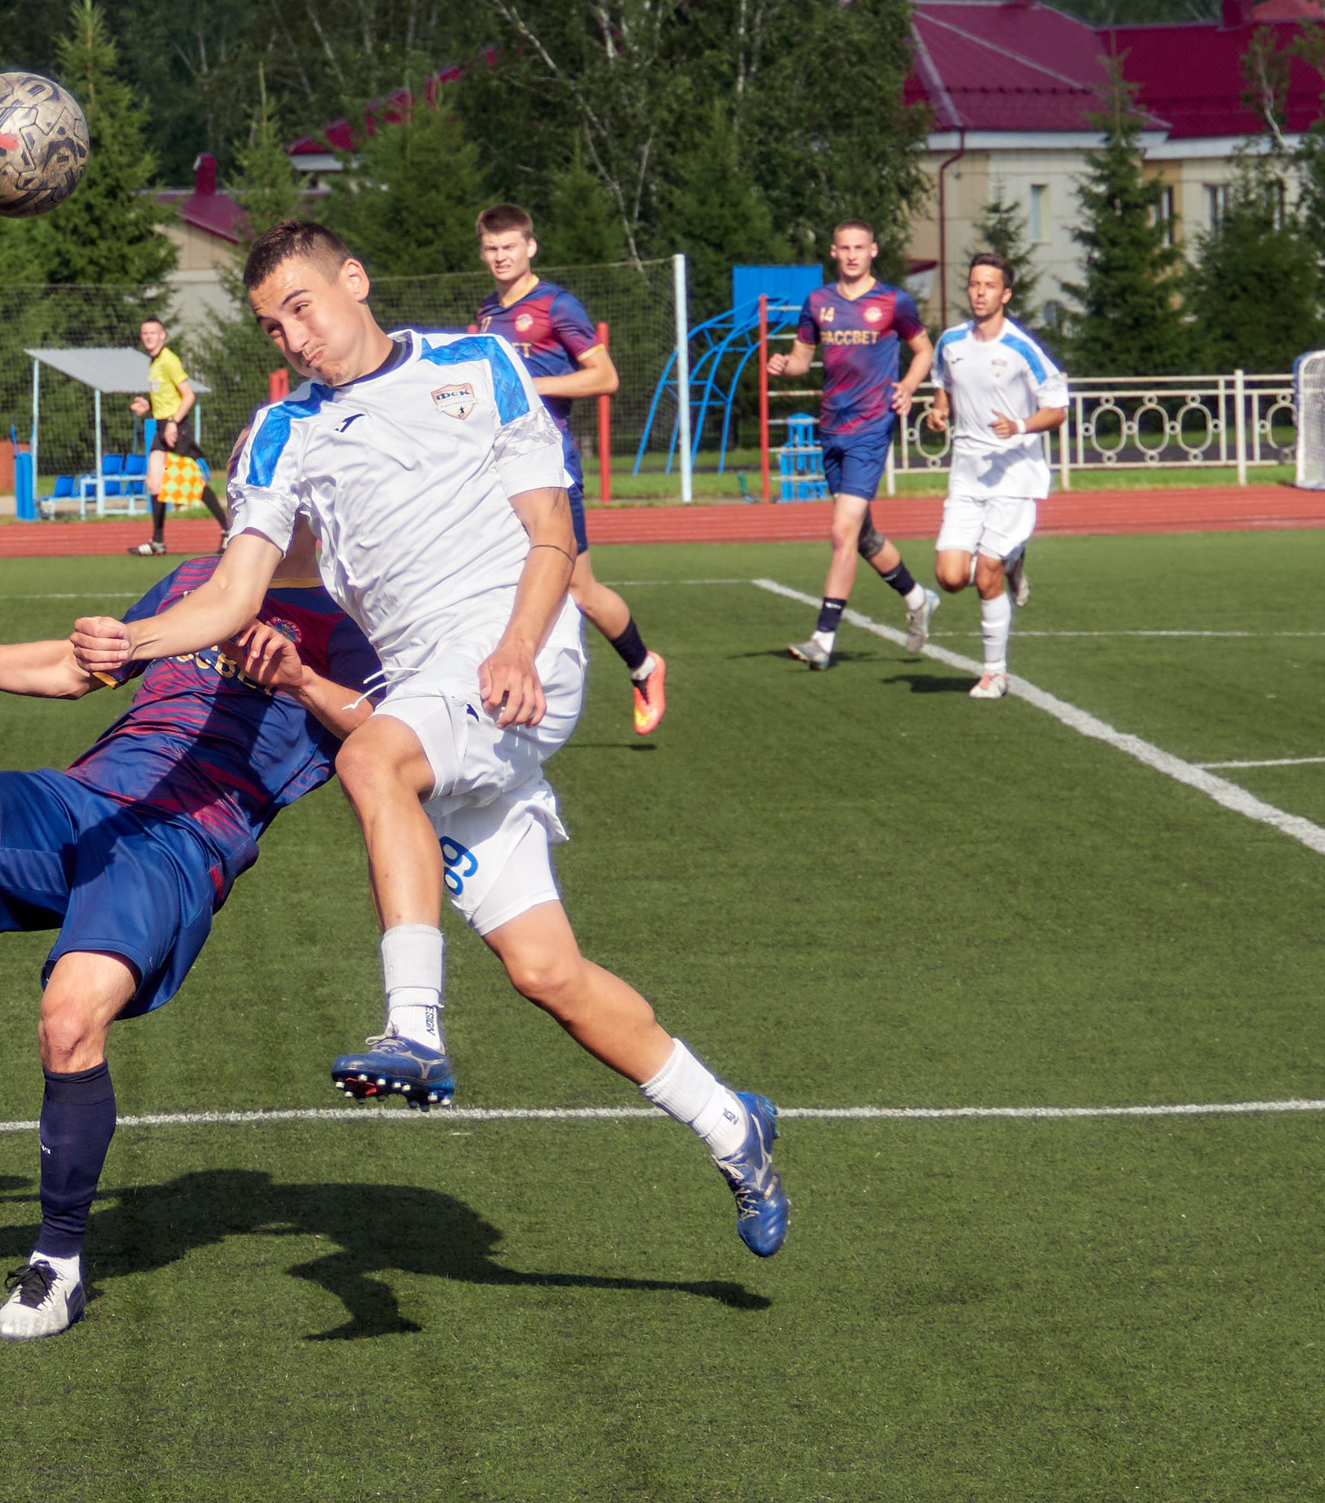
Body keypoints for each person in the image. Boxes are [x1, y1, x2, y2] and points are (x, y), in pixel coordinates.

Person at [71, 221, 789, 1260]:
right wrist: (137, 636)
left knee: (370, 759)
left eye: (303, 307)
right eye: (273, 323)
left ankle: (413, 1027)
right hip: (432, 694)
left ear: (355, 279)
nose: (294, 336)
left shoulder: (480, 364)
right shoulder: (285, 433)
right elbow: (235, 590)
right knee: (547, 971)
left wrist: (514, 646)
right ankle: (735, 1126)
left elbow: (552, 531)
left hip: (515, 661)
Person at [0, 540, 382, 1340]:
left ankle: (59, 1264)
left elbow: (387, 734)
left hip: (181, 842)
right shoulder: (200, 579)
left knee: (68, 1023)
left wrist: (298, 678)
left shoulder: (360, 604)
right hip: (90, 799)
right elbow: (74, 669)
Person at [473, 203, 667, 735]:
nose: (500, 256)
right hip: (500, 468)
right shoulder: (488, 313)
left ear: (530, 247)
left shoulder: (557, 305)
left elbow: (604, 377)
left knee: (576, 588)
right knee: (502, 577)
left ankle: (644, 665)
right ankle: (503, 694)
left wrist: (534, 387)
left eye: (509, 246)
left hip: (551, 467)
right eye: (491, 249)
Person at [764, 220, 943, 668]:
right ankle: (918, 597)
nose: (851, 255)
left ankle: (822, 641)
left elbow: (923, 349)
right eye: (844, 248)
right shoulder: (818, 302)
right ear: (833, 251)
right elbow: (803, 361)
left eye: (859, 248)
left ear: (873, 251)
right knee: (862, 537)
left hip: (870, 428)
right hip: (833, 428)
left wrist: (907, 385)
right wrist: (784, 365)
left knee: (842, 532)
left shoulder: (894, 301)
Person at [923, 253, 1069, 699]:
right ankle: (1012, 560)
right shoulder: (950, 341)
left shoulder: (1023, 348)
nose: (980, 291)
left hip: (1014, 474)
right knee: (949, 576)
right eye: (974, 284)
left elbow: (1058, 408)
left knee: (985, 572)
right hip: (967, 474)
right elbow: (943, 383)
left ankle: (995, 673)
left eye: (989, 285)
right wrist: (939, 410)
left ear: (1005, 294)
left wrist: (1020, 425)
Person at [127, 317, 229, 556]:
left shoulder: (168, 360)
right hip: (162, 426)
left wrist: (173, 422)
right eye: (145, 333)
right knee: (153, 482)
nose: (149, 337)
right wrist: (148, 404)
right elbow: (165, 398)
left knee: (193, 482)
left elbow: (188, 395)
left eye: (153, 333)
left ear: (163, 336)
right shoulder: (153, 363)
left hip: (176, 426)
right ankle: (157, 542)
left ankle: (227, 530)